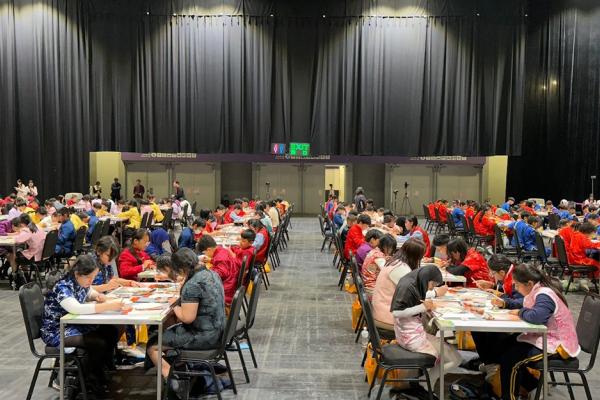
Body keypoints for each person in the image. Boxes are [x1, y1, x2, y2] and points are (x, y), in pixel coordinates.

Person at [495, 264, 580, 400]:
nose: (515, 288)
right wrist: (505, 303)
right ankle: (533, 386)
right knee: (504, 346)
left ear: (529, 283)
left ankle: (510, 396)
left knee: (511, 359)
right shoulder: (537, 290)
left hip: (559, 346)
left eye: (517, 285)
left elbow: (536, 317)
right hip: (547, 338)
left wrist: (520, 312)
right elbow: (523, 302)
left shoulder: (544, 295)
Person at [41, 255, 123, 391]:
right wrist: (107, 306)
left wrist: (97, 296)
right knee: (97, 342)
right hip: (56, 330)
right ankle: (82, 379)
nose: (91, 281)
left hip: (73, 324)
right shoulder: (62, 287)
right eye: (89, 277)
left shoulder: (81, 281)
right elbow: (76, 308)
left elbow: (89, 291)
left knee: (111, 331)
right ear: (77, 274)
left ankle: (100, 370)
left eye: (93, 277)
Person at [146, 249, 225, 382]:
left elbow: (187, 318)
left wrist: (174, 305)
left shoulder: (192, 284)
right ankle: (180, 368)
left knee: (152, 345)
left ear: (181, 268)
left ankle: (172, 380)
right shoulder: (212, 273)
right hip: (220, 331)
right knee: (170, 324)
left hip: (205, 337)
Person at [390, 265, 460, 384]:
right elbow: (396, 312)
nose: (431, 288)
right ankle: (425, 383)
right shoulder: (408, 286)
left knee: (451, 354)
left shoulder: (411, 282)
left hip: (407, 334)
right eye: (432, 284)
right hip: (411, 338)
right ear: (426, 278)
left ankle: (425, 382)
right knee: (455, 359)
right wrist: (423, 307)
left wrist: (424, 306)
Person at [372, 238, 425, 330]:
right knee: (424, 320)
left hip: (382, 310)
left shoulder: (395, 262)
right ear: (416, 257)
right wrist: (435, 292)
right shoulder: (401, 269)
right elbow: (416, 294)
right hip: (387, 317)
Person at [196, 235, 239, 305]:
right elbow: (221, 263)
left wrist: (203, 270)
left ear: (209, 249)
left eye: (204, 253)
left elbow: (218, 275)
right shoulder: (221, 250)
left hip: (226, 290)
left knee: (197, 292)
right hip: (231, 283)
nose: (205, 255)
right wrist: (211, 260)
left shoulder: (220, 257)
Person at [7, 215, 46, 286]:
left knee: (13, 256)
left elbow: (18, 240)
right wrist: (19, 232)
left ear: (21, 224)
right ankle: (26, 276)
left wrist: (16, 234)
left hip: (34, 256)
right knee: (22, 252)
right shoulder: (36, 226)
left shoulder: (27, 230)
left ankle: (16, 279)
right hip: (42, 253)